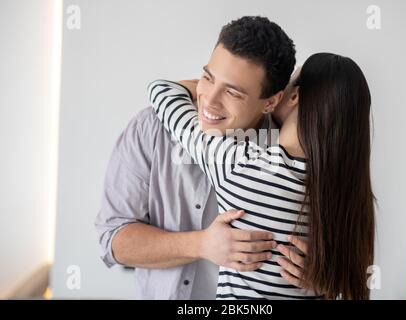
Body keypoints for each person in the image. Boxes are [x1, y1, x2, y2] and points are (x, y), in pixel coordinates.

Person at [95, 16, 308, 299]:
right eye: (208, 77)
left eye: (232, 91)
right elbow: (113, 241)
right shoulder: (150, 127)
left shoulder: (294, 153)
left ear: (271, 101)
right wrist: (201, 245)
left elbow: (341, 252)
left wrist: (320, 277)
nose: (208, 100)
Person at [147, 52, 375, 300]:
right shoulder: (347, 194)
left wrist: (209, 86)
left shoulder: (239, 164)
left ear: (295, 96)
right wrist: (327, 282)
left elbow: (163, 92)